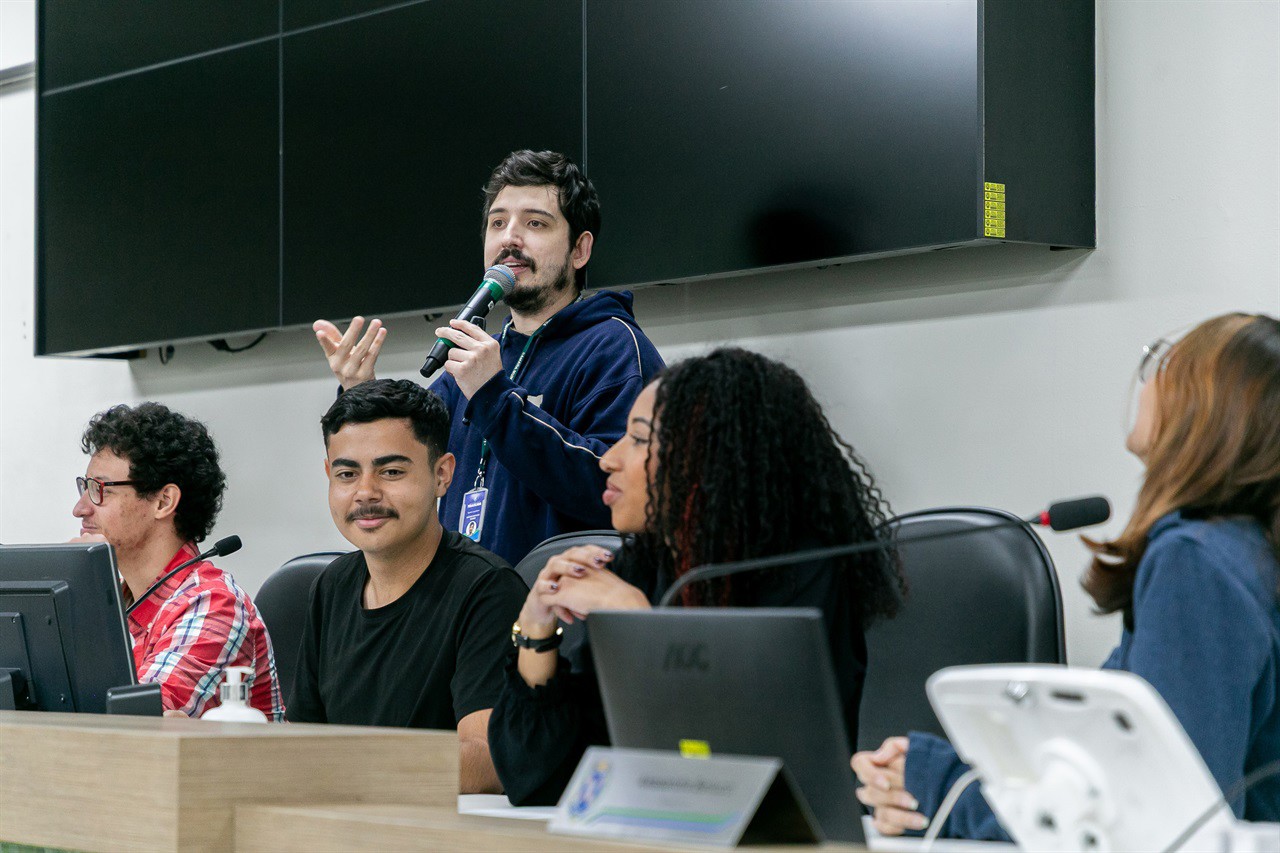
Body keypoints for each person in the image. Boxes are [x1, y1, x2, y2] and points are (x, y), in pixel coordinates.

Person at [854, 312, 1280, 837]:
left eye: (1166, 362)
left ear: (1205, 403)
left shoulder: (1197, 563)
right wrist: (950, 780)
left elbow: (1160, 821)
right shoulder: (1247, 553)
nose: (1146, 379)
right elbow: (1107, 775)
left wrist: (943, 788)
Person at [486, 347, 907, 805]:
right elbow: (534, 780)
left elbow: (751, 775)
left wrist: (641, 623)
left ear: (710, 459)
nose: (609, 459)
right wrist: (536, 629)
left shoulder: (801, 572)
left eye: (640, 440)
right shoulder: (644, 565)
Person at [314, 150, 665, 567]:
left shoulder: (615, 347)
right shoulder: (478, 360)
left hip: (560, 607)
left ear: (579, 250)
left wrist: (495, 397)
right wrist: (362, 394)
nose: (508, 239)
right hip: (470, 609)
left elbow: (614, 489)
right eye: (498, 223)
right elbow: (412, 465)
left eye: (535, 223)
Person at [288, 379, 528, 794]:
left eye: (392, 471)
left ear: (442, 475)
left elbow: (486, 761)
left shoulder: (487, 589)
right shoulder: (331, 585)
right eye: (347, 474)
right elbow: (301, 740)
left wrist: (347, 768)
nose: (366, 493)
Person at [73, 402, 284, 719]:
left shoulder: (214, 605)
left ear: (163, 501)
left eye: (99, 489)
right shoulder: (116, 600)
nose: (80, 509)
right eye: (85, 487)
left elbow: (134, 727)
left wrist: (81, 586)